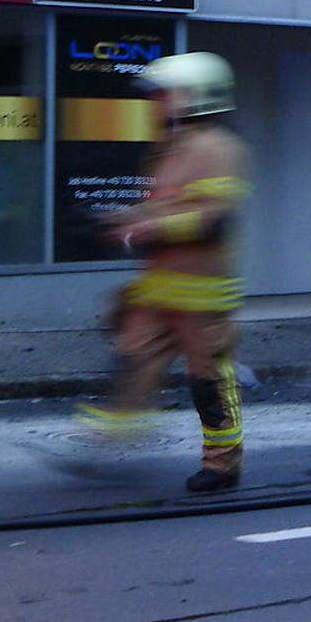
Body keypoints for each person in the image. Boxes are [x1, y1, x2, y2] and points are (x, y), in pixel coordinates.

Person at [77, 52, 250, 492]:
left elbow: (214, 218)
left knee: (208, 380)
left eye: (165, 93)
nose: (157, 102)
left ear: (198, 96)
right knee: (131, 357)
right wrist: (123, 219)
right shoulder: (170, 148)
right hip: (159, 289)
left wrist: (148, 227)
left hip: (202, 295)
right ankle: (108, 438)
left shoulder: (221, 149)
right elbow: (166, 206)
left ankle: (222, 463)